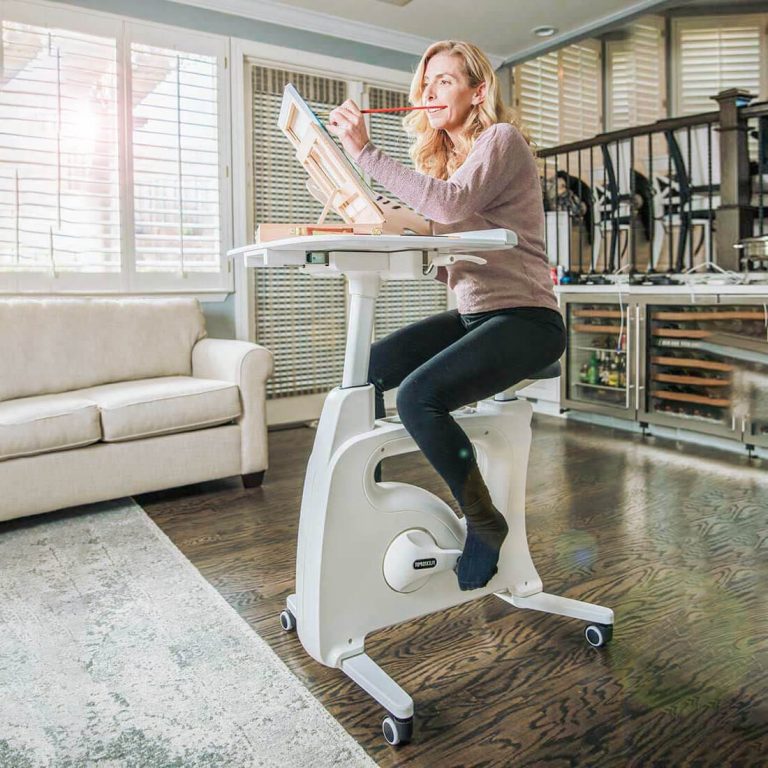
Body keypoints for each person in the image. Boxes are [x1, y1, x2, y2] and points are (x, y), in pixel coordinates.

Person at [327, 40, 565, 591]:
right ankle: (370, 501)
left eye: (445, 81)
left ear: (477, 91)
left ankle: (484, 521)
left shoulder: (500, 142)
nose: (430, 92)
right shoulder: (456, 166)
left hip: (527, 320)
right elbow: (450, 244)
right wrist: (395, 227)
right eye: (426, 83)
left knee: (416, 396)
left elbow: (450, 206)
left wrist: (366, 155)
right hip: (477, 315)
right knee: (369, 369)